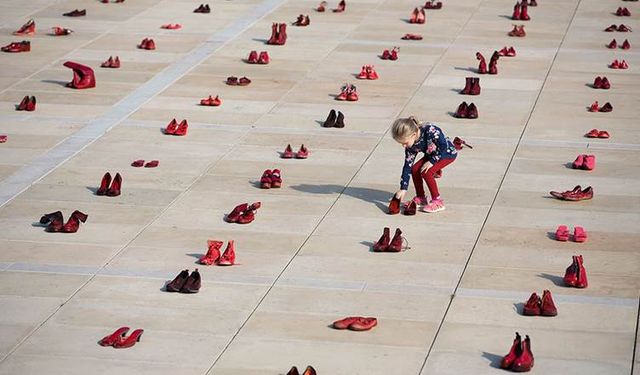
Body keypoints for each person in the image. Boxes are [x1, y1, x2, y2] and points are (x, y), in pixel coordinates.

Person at [391, 116, 457, 213]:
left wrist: (432, 161)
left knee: (427, 172)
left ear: (413, 134)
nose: (404, 146)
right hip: (432, 154)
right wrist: (403, 188)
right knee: (414, 169)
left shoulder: (431, 131)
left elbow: (443, 146)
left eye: (405, 143)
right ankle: (421, 198)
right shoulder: (411, 145)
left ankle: (437, 201)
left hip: (447, 153)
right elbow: (407, 166)